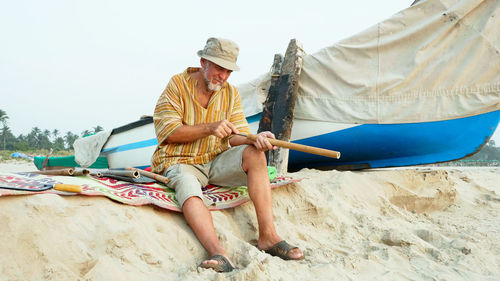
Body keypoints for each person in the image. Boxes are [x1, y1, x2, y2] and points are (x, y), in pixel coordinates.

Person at [151, 37, 304, 273]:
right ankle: (218, 253)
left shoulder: (230, 93)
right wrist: (210, 127)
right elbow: (168, 132)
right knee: (187, 188)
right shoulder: (177, 85)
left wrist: (258, 139)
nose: (222, 76)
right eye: (219, 68)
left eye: (228, 71)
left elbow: (237, 135)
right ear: (203, 62)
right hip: (180, 161)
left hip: (215, 158)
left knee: (255, 154)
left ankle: (268, 237)